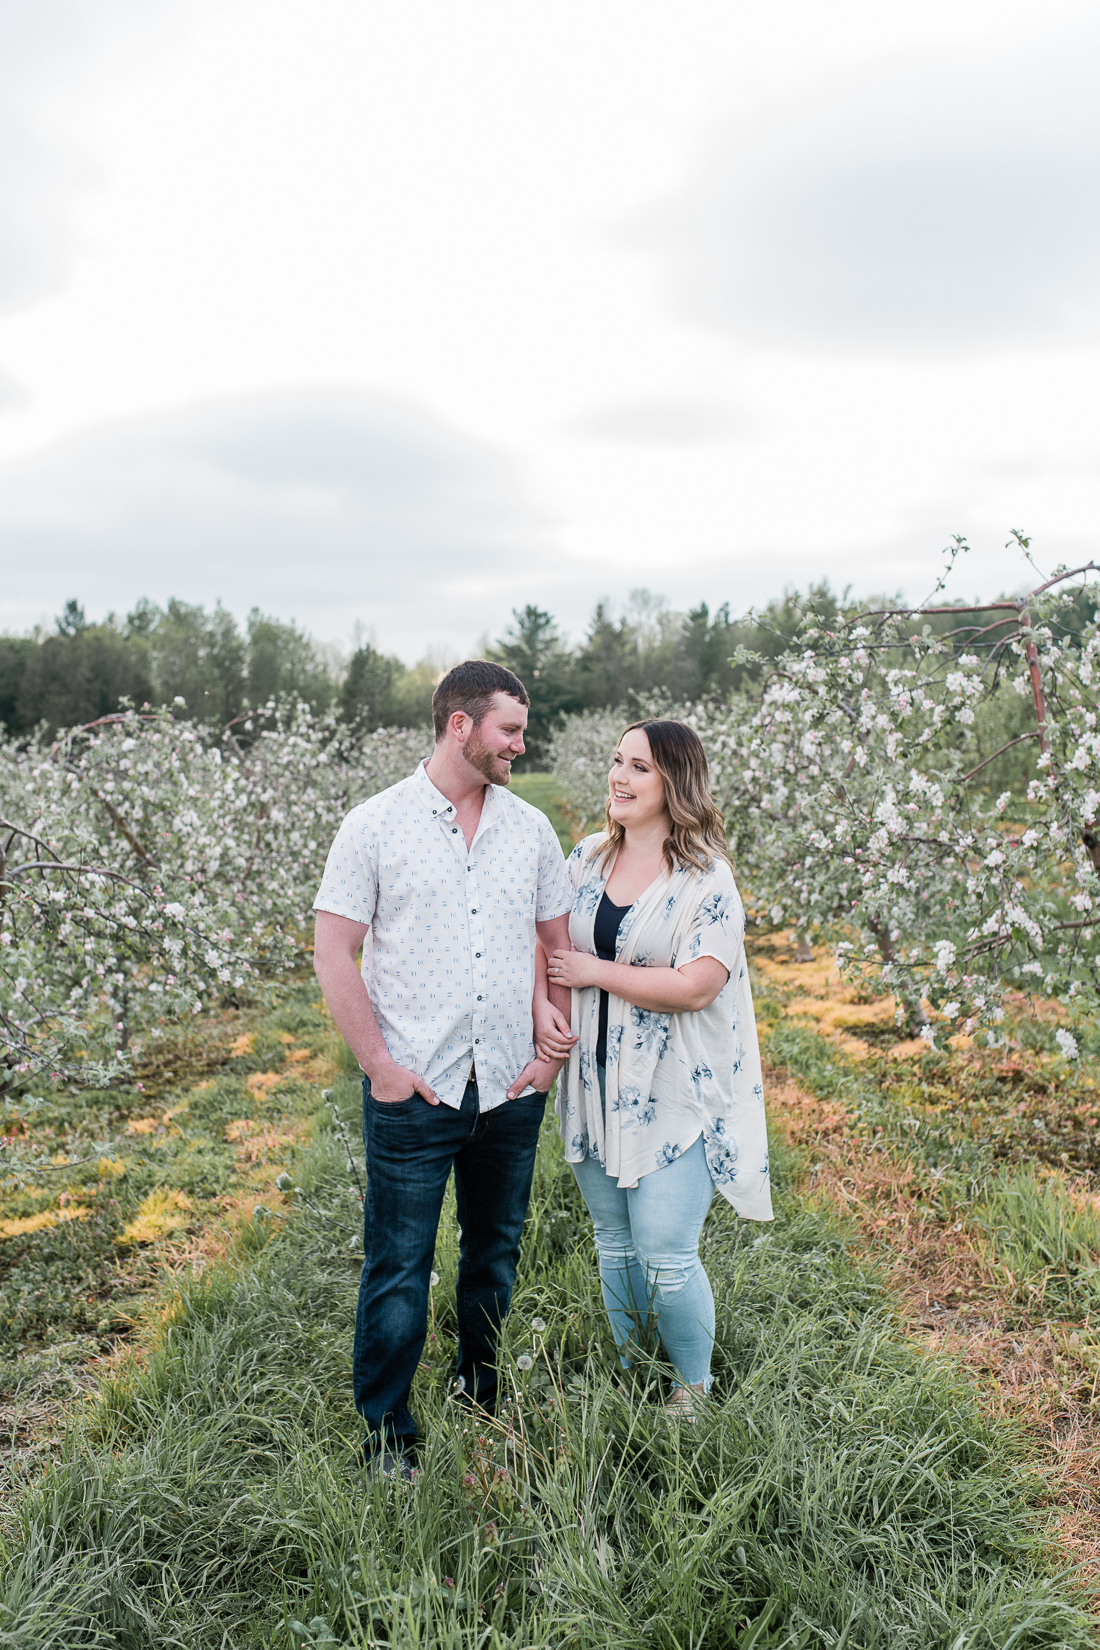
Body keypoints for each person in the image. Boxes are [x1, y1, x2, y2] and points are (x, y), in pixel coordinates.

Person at [313, 660, 572, 1478]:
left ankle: (479, 1387)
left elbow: (554, 945)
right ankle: (388, 1434)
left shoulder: (529, 829)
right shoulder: (374, 826)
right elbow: (333, 951)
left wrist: (546, 1044)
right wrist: (381, 1069)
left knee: (494, 1251)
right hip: (415, 1088)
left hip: (507, 1086)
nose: (520, 747)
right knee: (398, 1266)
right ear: (459, 726)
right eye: (509, 731)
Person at [536, 718, 772, 1416]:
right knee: (615, 1244)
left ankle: (692, 1391)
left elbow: (699, 983)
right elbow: (543, 950)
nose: (619, 777)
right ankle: (631, 1369)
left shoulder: (707, 880)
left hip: (673, 1089)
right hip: (595, 1083)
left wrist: (594, 973)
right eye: (616, 762)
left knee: (666, 1250)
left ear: (676, 781)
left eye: (638, 767)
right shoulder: (585, 861)